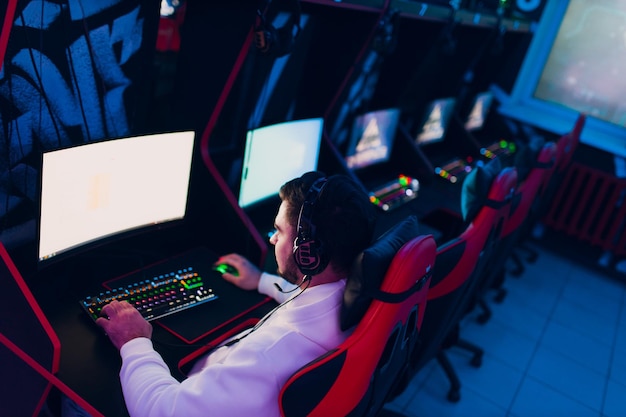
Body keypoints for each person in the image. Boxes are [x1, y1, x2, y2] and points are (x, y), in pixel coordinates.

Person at [95, 171, 377, 417]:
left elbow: (160, 411)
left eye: (279, 230)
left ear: (308, 253)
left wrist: (134, 342)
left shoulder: (267, 357)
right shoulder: (351, 297)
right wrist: (261, 281)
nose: (272, 239)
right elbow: (310, 298)